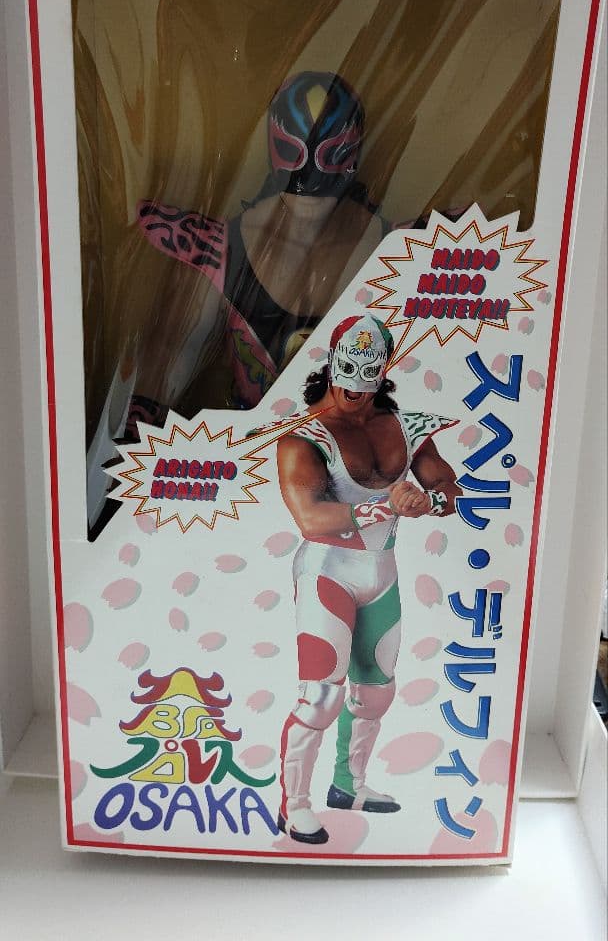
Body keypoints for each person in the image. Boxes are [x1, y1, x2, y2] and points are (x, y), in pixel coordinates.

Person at [87, 72, 410, 529]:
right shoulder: (224, 250)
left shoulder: (401, 254)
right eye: (296, 152)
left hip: (363, 481)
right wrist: (119, 481)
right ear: (275, 147)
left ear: (352, 152)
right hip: (253, 479)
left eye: (329, 154)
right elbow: (163, 369)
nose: (311, 174)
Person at [276, 313, 459, 844]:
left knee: (376, 691)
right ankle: (294, 804)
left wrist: (428, 501)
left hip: (382, 570)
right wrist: (388, 505)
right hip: (328, 571)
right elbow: (310, 517)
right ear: (332, 364)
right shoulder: (303, 436)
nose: (356, 388)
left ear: (383, 370)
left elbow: (447, 487)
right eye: (348, 371)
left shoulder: (403, 426)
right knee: (320, 697)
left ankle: (348, 786)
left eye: (368, 373)